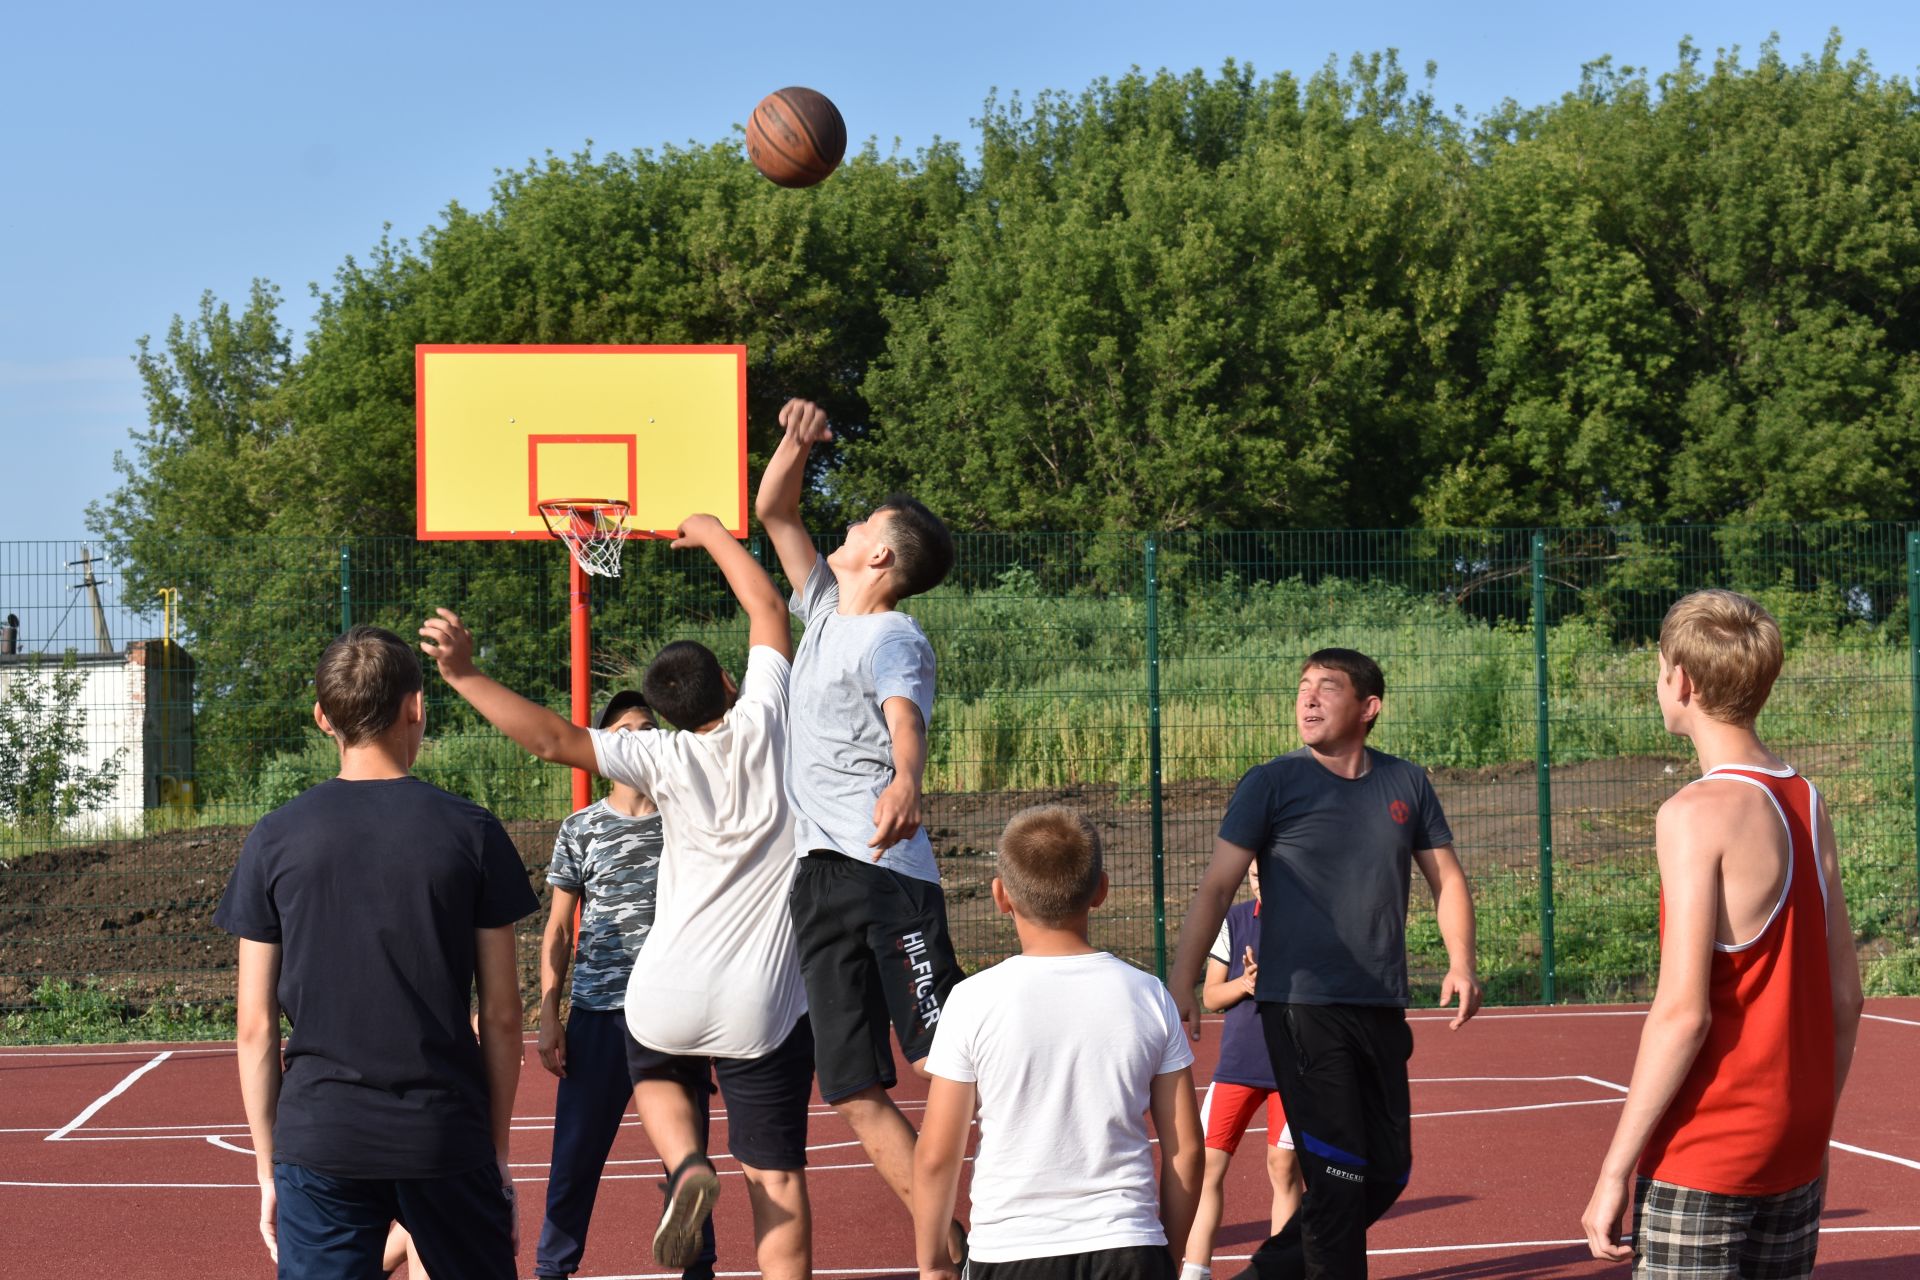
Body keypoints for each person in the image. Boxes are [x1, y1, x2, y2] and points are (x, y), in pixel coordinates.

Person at [422, 513, 814, 1280]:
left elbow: (549, 739)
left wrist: (465, 675)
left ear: (660, 718)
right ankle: (720, 1189)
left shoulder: (658, 758)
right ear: (731, 686)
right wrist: (712, 533)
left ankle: (685, 1161)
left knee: (657, 1072)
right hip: (761, 1001)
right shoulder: (769, 721)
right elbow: (768, 608)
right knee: (777, 1182)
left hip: (661, 990)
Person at [215, 625, 537, 1280]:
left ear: (321, 718)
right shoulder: (472, 831)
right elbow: (503, 1016)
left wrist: (267, 1165)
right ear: (416, 707)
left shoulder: (274, 839)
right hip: (445, 1134)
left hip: (321, 1135)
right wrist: (496, 1152)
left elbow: (254, 1028)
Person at [1167, 647, 1481, 1280]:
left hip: (1379, 1004)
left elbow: (1445, 877)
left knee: (1386, 1171)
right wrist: (1182, 982)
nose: (1307, 698)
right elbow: (1217, 887)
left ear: (1369, 708)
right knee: (1337, 1175)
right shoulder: (1271, 783)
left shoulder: (1407, 783)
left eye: (1327, 688)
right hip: (1301, 1008)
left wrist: (1461, 961)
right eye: (1303, 686)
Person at [1580, 590, 1864, 1277]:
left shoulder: (1695, 813)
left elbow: (1682, 1014)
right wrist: (1814, 1130)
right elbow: (1846, 997)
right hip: (1794, 1140)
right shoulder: (1807, 798)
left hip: (1708, 1148)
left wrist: (1614, 1169)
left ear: (1681, 680)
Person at [754, 396, 966, 1263]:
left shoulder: (891, 632)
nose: (848, 523)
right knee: (849, 1083)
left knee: (943, 1054)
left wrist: (908, 778)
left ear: (879, 555)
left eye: (865, 522)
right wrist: (793, 444)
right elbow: (774, 510)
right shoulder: (823, 610)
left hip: (884, 872)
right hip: (819, 877)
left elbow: (904, 713)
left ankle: (1043, 1183)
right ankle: (952, 1248)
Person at [914, 805, 1205, 1280]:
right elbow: (1186, 1150)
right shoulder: (1148, 995)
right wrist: (1166, 1255)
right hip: (1129, 1245)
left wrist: (932, 1263)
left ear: (1000, 896)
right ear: (1102, 891)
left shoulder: (972, 1001)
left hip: (1010, 1250)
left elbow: (936, 1155)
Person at [532, 691, 716, 1280]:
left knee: (686, 1161)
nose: (639, 738)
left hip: (672, 1011)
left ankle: (699, 1269)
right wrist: (548, 1012)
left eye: (649, 728)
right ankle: (553, 1269)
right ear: (606, 743)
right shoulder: (580, 829)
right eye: (626, 730)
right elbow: (560, 929)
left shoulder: (688, 817)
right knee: (574, 1160)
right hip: (597, 1016)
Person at [1181, 863, 1303, 1280]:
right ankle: (1195, 1272)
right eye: (1252, 874)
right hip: (1238, 1065)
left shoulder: (1314, 918)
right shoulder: (1233, 920)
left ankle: (1278, 1272)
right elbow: (1212, 995)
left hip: (1293, 1066)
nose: (1258, 880)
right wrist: (1246, 984)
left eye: (1265, 872)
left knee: (1283, 1168)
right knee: (1206, 1166)